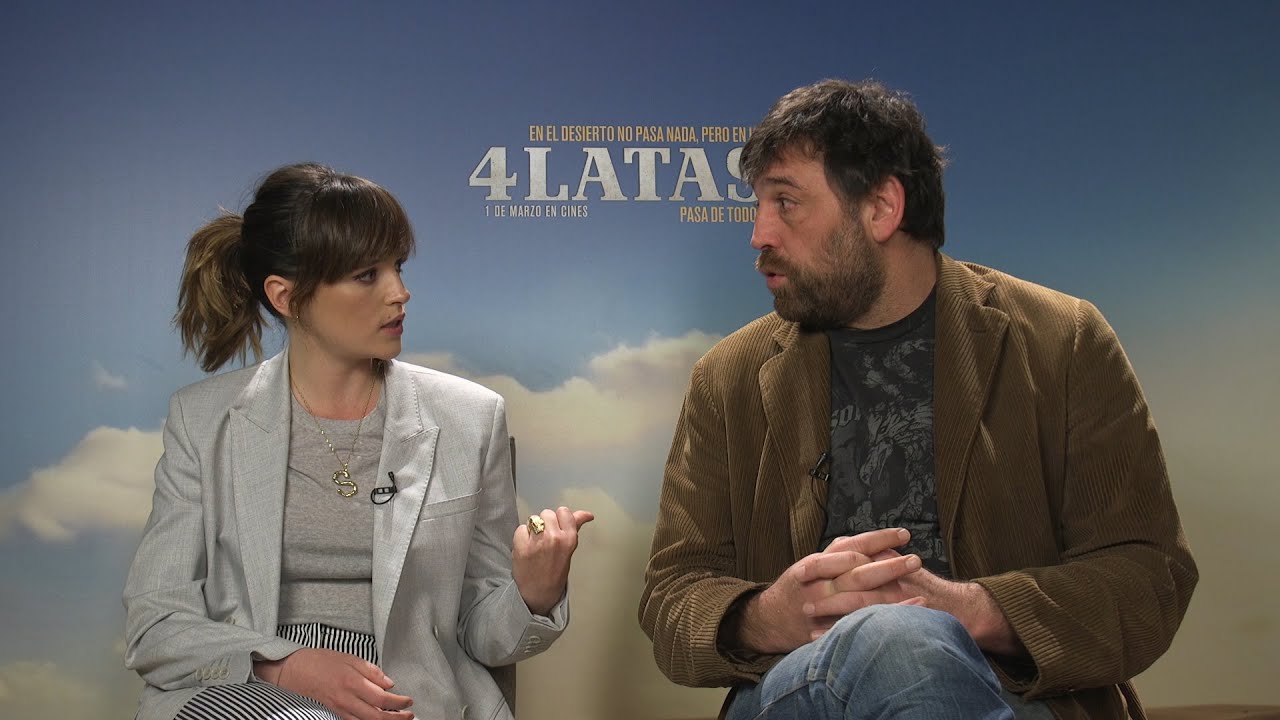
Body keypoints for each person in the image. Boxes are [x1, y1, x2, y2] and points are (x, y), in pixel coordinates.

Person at [638, 80, 1197, 720]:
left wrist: (965, 611)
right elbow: (672, 597)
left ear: (881, 208)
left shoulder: (1062, 340)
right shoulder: (727, 376)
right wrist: (774, 615)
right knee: (891, 638)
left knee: (902, 639)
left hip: (1020, 697)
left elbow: (1149, 578)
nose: (759, 233)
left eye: (786, 202)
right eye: (758, 204)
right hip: (799, 692)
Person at [124, 162, 592, 720]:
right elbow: (157, 623)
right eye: (367, 274)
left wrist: (534, 593)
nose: (400, 292)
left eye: (397, 266)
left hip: (409, 695)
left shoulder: (472, 418)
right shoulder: (201, 420)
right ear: (285, 296)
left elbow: (483, 636)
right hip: (245, 681)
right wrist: (284, 666)